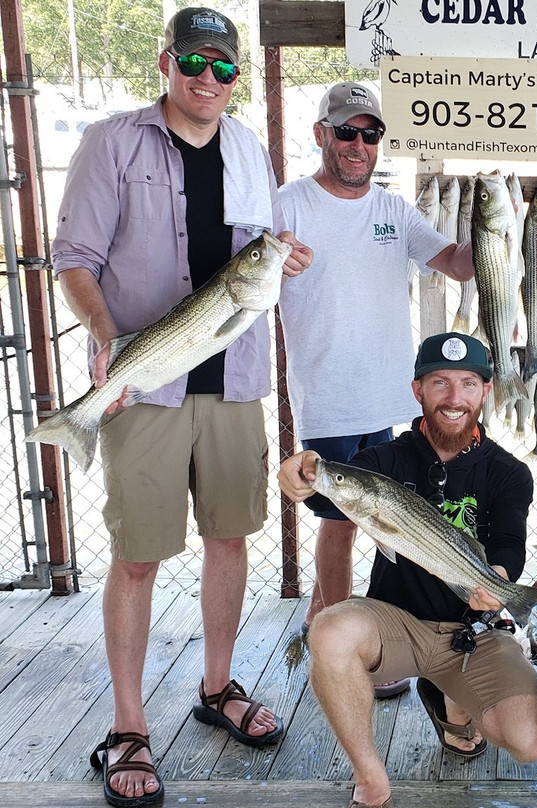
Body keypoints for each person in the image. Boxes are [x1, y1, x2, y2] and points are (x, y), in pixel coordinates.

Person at [48, 7, 312, 806]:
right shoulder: (112, 141)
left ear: (237, 76)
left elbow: (254, 255)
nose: (208, 79)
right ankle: (128, 726)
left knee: (230, 539)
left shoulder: (246, 147)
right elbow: (74, 257)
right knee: (137, 556)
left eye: (224, 68)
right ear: (166, 62)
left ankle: (218, 687)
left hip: (231, 378)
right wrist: (105, 338)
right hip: (144, 379)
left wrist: (283, 261)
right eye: (195, 63)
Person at [278, 332, 537, 808]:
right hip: (395, 623)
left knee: (531, 740)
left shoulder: (509, 472)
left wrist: (500, 580)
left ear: (485, 392)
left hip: (475, 629)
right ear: (417, 390)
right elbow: (325, 487)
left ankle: (450, 701)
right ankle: (370, 777)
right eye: (439, 383)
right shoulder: (382, 461)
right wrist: (303, 472)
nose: (454, 398)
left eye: (468, 383)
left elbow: (508, 541)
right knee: (329, 631)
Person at [276, 83, 474, 697]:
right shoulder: (287, 206)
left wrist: (503, 227)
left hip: (390, 399)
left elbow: (458, 263)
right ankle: (343, 652)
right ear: (321, 135)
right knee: (339, 526)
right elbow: (241, 280)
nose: (358, 145)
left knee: (386, 522)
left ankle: (320, 619)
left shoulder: (393, 210)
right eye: (346, 132)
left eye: (370, 134)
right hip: (330, 396)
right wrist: (271, 257)